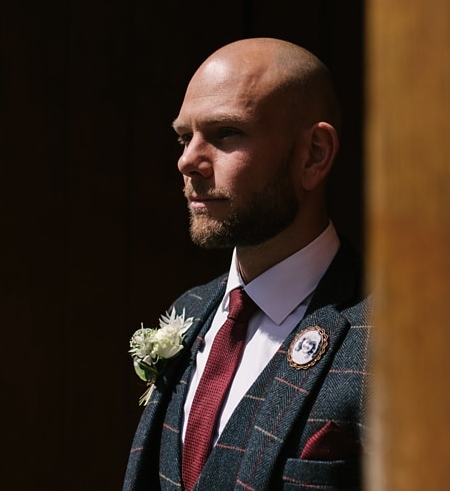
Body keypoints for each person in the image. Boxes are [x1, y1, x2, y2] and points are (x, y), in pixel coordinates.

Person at [124, 38, 370, 491]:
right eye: (184, 137)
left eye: (226, 134)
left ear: (314, 153)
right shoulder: (192, 309)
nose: (187, 160)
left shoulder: (389, 340)